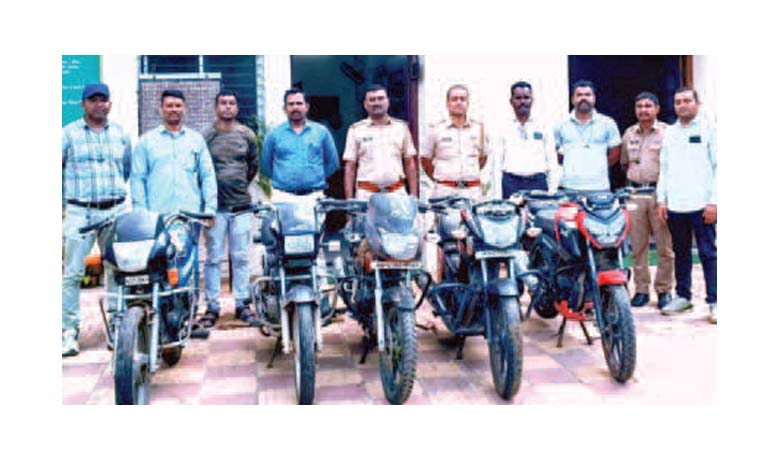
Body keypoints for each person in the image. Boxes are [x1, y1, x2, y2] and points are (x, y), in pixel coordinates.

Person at [131, 89, 217, 335]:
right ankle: (157, 317)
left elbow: (207, 176)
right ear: (161, 109)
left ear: (185, 109)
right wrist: (141, 213)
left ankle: (188, 319)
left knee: (189, 268)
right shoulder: (146, 142)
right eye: (169, 106)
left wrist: (209, 208)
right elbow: (137, 179)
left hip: (188, 218)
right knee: (157, 268)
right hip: (156, 219)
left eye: (178, 106)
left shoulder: (196, 141)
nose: (174, 110)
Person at [62, 83, 132, 356]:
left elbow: (125, 169)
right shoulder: (68, 134)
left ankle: (116, 326)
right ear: (83, 104)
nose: (99, 105)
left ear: (109, 104)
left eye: (103, 100)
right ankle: (68, 332)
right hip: (80, 211)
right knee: (72, 274)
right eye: (93, 100)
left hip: (114, 211)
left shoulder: (120, 134)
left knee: (115, 270)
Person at [196, 90, 259, 332]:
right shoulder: (206, 136)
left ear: (237, 108)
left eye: (232, 103)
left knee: (240, 256)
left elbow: (252, 166)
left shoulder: (247, 135)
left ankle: (242, 303)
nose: (227, 107)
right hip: (215, 209)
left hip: (241, 206)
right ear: (216, 108)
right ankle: (212, 306)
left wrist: (237, 185)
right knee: (213, 258)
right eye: (223, 103)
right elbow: (200, 170)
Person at [657, 87, 717, 323]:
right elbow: (664, 168)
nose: (682, 105)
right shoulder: (670, 133)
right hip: (676, 205)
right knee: (680, 253)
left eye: (687, 101)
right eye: (678, 102)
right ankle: (683, 297)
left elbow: (719, 166)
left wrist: (714, 202)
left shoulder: (710, 129)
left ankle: (715, 302)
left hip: (702, 205)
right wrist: (662, 199)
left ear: (697, 104)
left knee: (707, 253)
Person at [621, 92, 674, 309]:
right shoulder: (629, 134)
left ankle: (664, 290)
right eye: (640, 106)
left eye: (648, 106)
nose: (643, 110)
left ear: (657, 109)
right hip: (635, 193)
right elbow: (624, 163)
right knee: (638, 245)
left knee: (664, 246)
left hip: (659, 194)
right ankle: (641, 290)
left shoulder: (667, 133)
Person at [261, 88, 339, 204]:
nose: (295, 107)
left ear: (306, 107)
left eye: (299, 103)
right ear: (285, 108)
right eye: (291, 104)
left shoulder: (321, 132)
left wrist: (315, 178)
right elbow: (266, 166)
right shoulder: (274, 134)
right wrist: (284, 180)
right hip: (283, 196)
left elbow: (333, 164)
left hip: (313, 196)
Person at [343, 84, 419, 201]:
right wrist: (350, 200)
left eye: (380, 98)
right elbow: (350, 167)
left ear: (388, 101)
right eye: (372, 100)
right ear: (365, 104)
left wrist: (414, 196)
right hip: (366, 195)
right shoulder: (356, 130)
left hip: (396, 193)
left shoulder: (401, 128)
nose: (377, 103)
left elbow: (409, 163)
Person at [421, 84, 489, 200]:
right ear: (447, 103)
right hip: (445, 191)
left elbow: (482, 158)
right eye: (454, 99)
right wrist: (444, 179)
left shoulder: (478, 129)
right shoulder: (436, 129)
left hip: (472, 191)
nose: (459, 102)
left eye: (462, 99)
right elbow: (425, 160)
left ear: (468, 103)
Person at [554, 80, 622, 193]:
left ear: (594, 98)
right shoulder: (561, 124)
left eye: (587, 95)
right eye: (579, 95)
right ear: (572, 99)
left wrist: (597, 165)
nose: (583, 98)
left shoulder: (608, 123)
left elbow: (615, 153)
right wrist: (569, 162)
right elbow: (552, 152)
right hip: (569, 187)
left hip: (600, 187)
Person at [497, 81, 559, 198]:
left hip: (537, 182)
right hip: (511, 183)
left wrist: (552, 190)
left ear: (532, 100)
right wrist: (496, 194)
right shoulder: (503, 127)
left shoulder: (544, 126)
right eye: (518, 98)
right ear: (511, 101)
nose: (522, 102)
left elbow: (552, 160)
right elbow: (497, 162)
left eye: (526, 97)